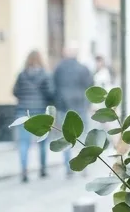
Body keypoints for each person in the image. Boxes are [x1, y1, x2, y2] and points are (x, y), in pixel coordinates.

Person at [52, 45, 95, 177]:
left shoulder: (58, 69)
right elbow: (91, 86)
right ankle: (83, 165)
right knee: (83, 137)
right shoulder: (83, 69)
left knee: (66, 138)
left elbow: (53, 88)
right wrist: (88, 103)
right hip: (80, 106)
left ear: (65, 53)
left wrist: (57, 103)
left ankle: (68, 167)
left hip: (64, 108)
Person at [12, 51, 53, 182]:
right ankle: (43, 169)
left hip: (23, 111)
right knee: (42, 141)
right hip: (40, 112)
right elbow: (50, 93)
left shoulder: (22, 75)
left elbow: (15, 91)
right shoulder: (45, 75)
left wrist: (24, 98)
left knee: (24, 143)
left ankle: (24, 171)